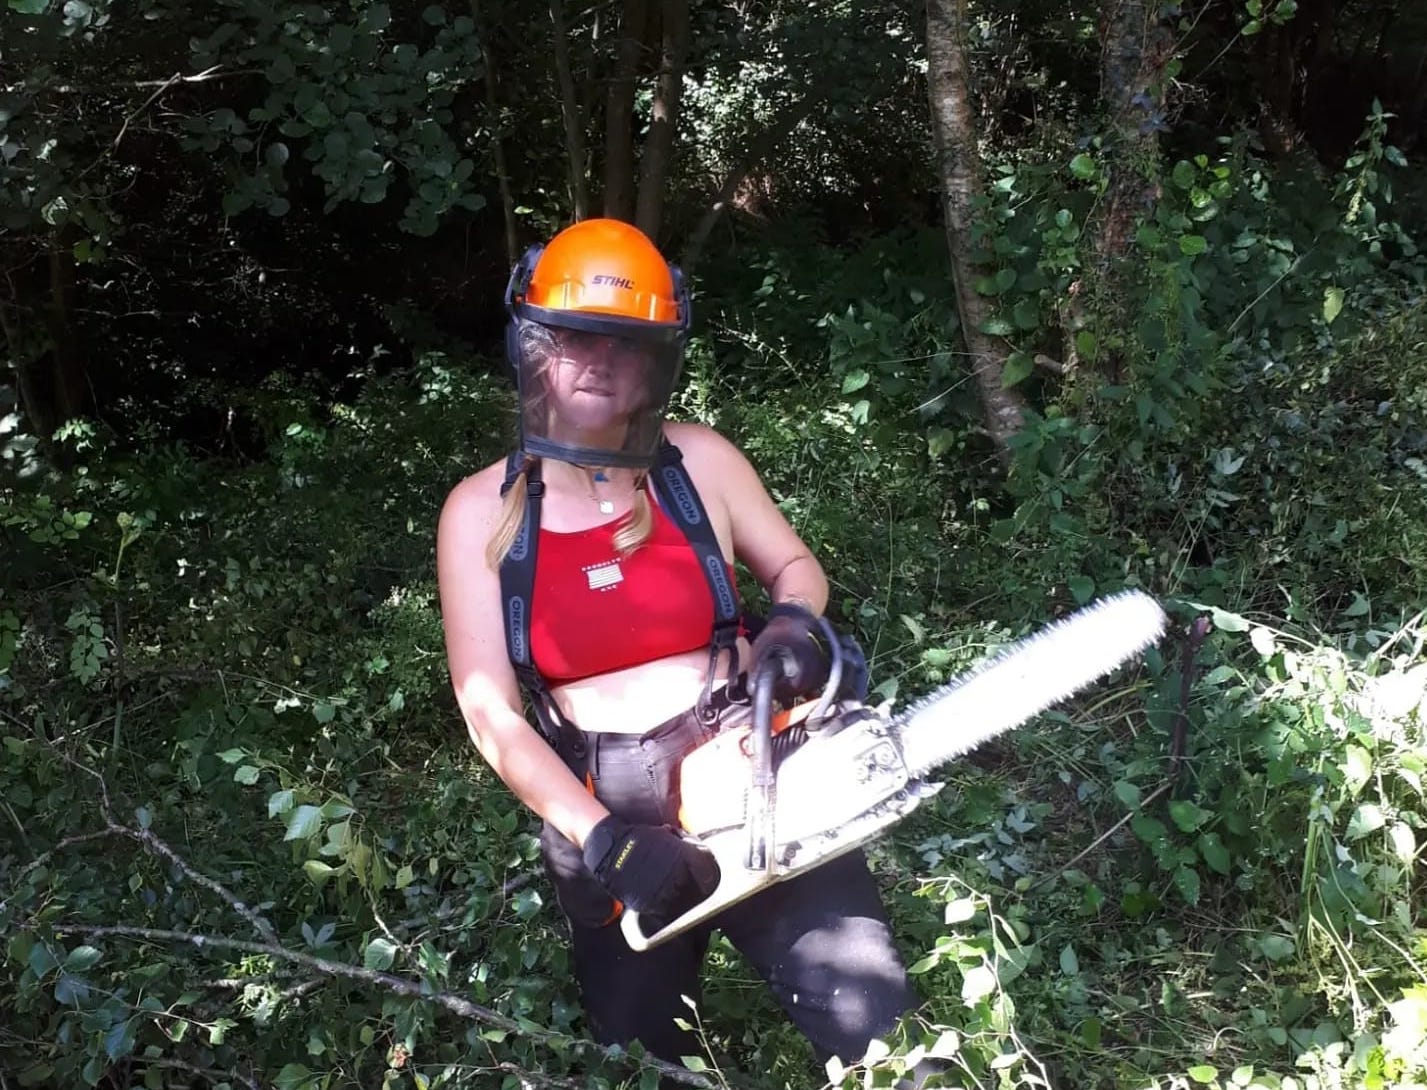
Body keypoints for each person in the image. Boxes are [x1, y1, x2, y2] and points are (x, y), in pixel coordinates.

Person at [436, 218, 921, 1077]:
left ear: (656, 359)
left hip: (748, 764)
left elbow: (796, 568)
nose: (597, 360)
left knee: (875, 1028)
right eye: (576, 336)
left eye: (623, 344)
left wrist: (791, 625)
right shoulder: (479, 511)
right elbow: (492, 718)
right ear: (533, 348)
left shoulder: (698, 462)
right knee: (640, 1060)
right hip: (603, 802)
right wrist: (600, 841)